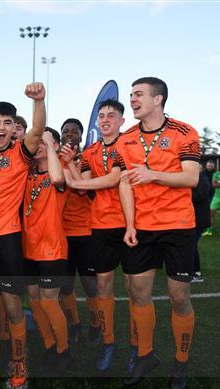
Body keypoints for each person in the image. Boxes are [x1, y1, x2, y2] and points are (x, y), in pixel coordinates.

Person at [116, 77, 200, 389]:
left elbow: (191, 178)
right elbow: (125, 182)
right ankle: (145, 354)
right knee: (138, 293)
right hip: (143, 229)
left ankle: (181, 359)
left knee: (179, 296)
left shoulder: (184, 132)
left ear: (158, 99)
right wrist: (130, 224)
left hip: (178, 227)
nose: (133, 100)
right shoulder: (126, 139)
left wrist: (152, 174)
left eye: (139, 95)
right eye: (132, 95)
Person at [0, 85, 45, 387]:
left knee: (11, 305)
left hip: (6, 239)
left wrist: (39, 102)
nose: (1, 127)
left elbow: (37, 129)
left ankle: (19, 359)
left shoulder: (20, 153)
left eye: (7, 122)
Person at [62, 99, 131, 371]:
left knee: (136, 289)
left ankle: (139, 349)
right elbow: (82, 185)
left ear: (121, 120)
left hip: (132, 223)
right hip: (100, 225)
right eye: (101, 115)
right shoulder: (91, 151)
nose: (104, 119)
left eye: (111, 115)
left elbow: (114, 178)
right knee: (103, 286)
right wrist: (71, 165)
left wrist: (75, 179)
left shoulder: (130, 144)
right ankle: (108, 341)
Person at [23, 128, 72, 377]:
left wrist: (51, 146)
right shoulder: (27, 174)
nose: (39, 145)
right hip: (27, 249)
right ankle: (49, 345)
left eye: (45, 141)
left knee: (48, 302)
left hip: (52, 249)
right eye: (37, 141)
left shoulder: (60, 170)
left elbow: (56, 179)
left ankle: (63, 351)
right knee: (34, 301)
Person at [58, 118, 100, 346]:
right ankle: (74, 324)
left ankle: (95, 323)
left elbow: (83, 191)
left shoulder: (86, 160)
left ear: (82, 136)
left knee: (90, 284)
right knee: (65, 285)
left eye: (75, 131)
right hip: (60, 233)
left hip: (85, 231)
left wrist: (71, 163)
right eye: (66, 131)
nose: (70, 134)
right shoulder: (54, 160)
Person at [191, 163, 212, 282]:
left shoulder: (202, 179)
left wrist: (182, 193)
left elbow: (199, 195)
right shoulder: (196, 179)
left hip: (199, 220)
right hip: (192, 219)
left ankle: (196, 273)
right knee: (189, 245)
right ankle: (190, 271)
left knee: (192, 245)